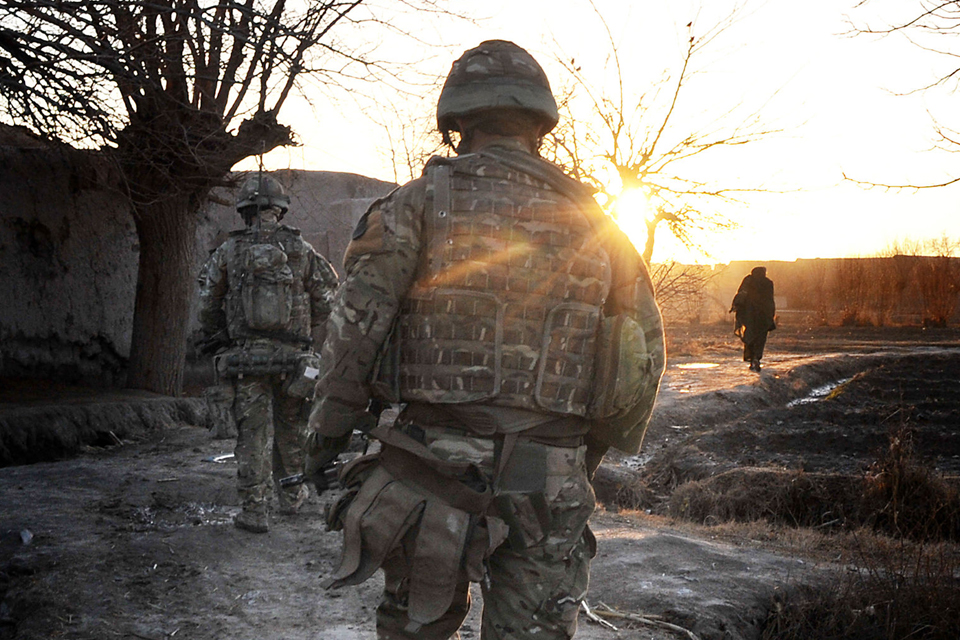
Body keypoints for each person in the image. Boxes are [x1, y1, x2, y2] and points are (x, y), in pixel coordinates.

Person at [304, 40, 665, 639]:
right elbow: (642, 361)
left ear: (456, 124)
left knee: (416, 625)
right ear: (539, 126)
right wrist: (578, 457)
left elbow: (353, 336)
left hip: (430, 467)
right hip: (550, 474)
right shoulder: (603, 229)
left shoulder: (411, 207)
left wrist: (325, 439)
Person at [196, 173, 339, 533]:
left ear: (244, 212)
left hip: (246, 360)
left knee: (253, 436)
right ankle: (291, 497)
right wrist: (305, 334)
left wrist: (223, 336)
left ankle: (254, 511)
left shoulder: (229, 251)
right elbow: (327, 299)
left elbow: (207, 303)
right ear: (280, 210)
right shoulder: (301, 249)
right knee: (293, 430)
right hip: (294, 360)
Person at [730, 266, 776, 372]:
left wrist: (737, 307)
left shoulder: (748, 280)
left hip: (749, 314)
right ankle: (756, 358)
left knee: (750, 335)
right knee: (761, 337)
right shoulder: (768, 283)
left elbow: (741, 293)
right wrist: (771, 314)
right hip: (763, 315)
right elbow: (770, 300)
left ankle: (751, 358)